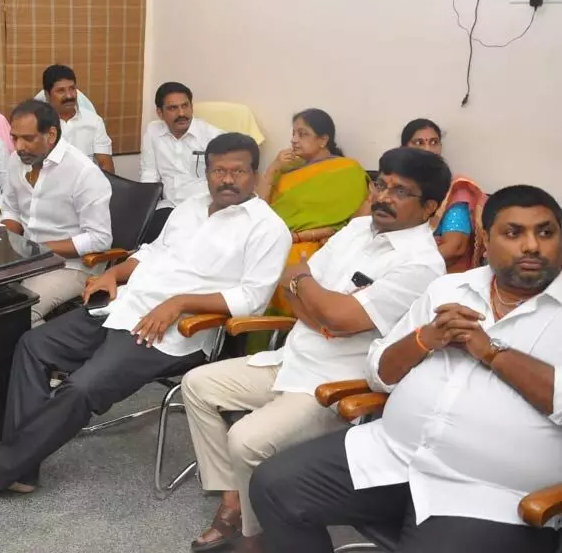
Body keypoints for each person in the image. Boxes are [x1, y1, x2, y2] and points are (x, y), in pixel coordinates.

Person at [0, 132, 292, 499]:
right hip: (124, 306)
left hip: (175, 331)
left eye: (238, 171)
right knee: (33, 344)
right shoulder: (190, 206)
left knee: (82, 387)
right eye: (218, 170)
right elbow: (151, 253)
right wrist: (113, 273)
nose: (227, 179)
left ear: (255, 174)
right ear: (206, 172)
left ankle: (0, 465)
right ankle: (21, 467)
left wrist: (180, 303)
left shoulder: (267, 229)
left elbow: (251, 298)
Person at [250, 185, 562, 553]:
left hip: (488, 493)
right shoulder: (448, 288)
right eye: (513, 233)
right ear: (486, 239)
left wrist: (490, 351)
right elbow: (378, 371)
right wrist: (425, 338)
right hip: (393, 454)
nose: (531, 246)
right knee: (272, 486)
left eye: (546, 232)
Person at [185, 147, 451, 553]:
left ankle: (254, 539)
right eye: (381, 184)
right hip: (289, 358)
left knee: (245, 440)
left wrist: (312, 292)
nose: (383, 196)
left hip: (332, 385)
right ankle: (233, 501)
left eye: (401, 191)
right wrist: (317, 304)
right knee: (198, 384)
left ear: (429, 207)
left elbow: (337, 314)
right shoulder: (358, 230)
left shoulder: (421, 265)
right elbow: (290, 278)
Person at [0, 100, 113, 326]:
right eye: (14, 137)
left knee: (17, 314)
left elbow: (100, 239)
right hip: (25, 259)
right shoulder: (16, 161)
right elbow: (10, 209)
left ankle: (43, 352)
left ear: (51, 135)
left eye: (28, 139)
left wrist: (40, 249)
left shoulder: (83, 173)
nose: (18, 146)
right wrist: (7, 242)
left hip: (71, 267)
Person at [256, 108, 368, 316]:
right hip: (275, 243)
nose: (294, 140)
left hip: (319, 248)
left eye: (303, 134)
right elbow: (259, 212)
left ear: (323, 139)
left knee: (284, 270)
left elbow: (355, 224)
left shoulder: (347, 170)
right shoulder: (287, 171)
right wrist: (273, 168)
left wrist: (300, 236)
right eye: (293, 134)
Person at [140, 82, 224, 243]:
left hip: (201, 209)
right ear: (160, 112)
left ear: (192, 107)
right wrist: (146, 208)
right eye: (173, 108)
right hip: (168, 206)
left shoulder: (212, 136)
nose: (181, 113)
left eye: (185, 106)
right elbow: (149, 173)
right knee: (147, 241)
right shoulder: (153, 131)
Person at [403, 118, 487, 272]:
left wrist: (403, 266)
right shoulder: (395, 185)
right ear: (404, 148)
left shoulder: (457, 189)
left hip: (440, 276)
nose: (428, 149)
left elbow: (455, 248)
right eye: (419, 142)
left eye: (434, 142)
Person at [41, 65, 114, 173]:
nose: (69, 96)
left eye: (72, 88)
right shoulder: (37, 123)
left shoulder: (94, 121)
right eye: (61, 91)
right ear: (47, 95)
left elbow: (106, 165)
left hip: (86, 184)